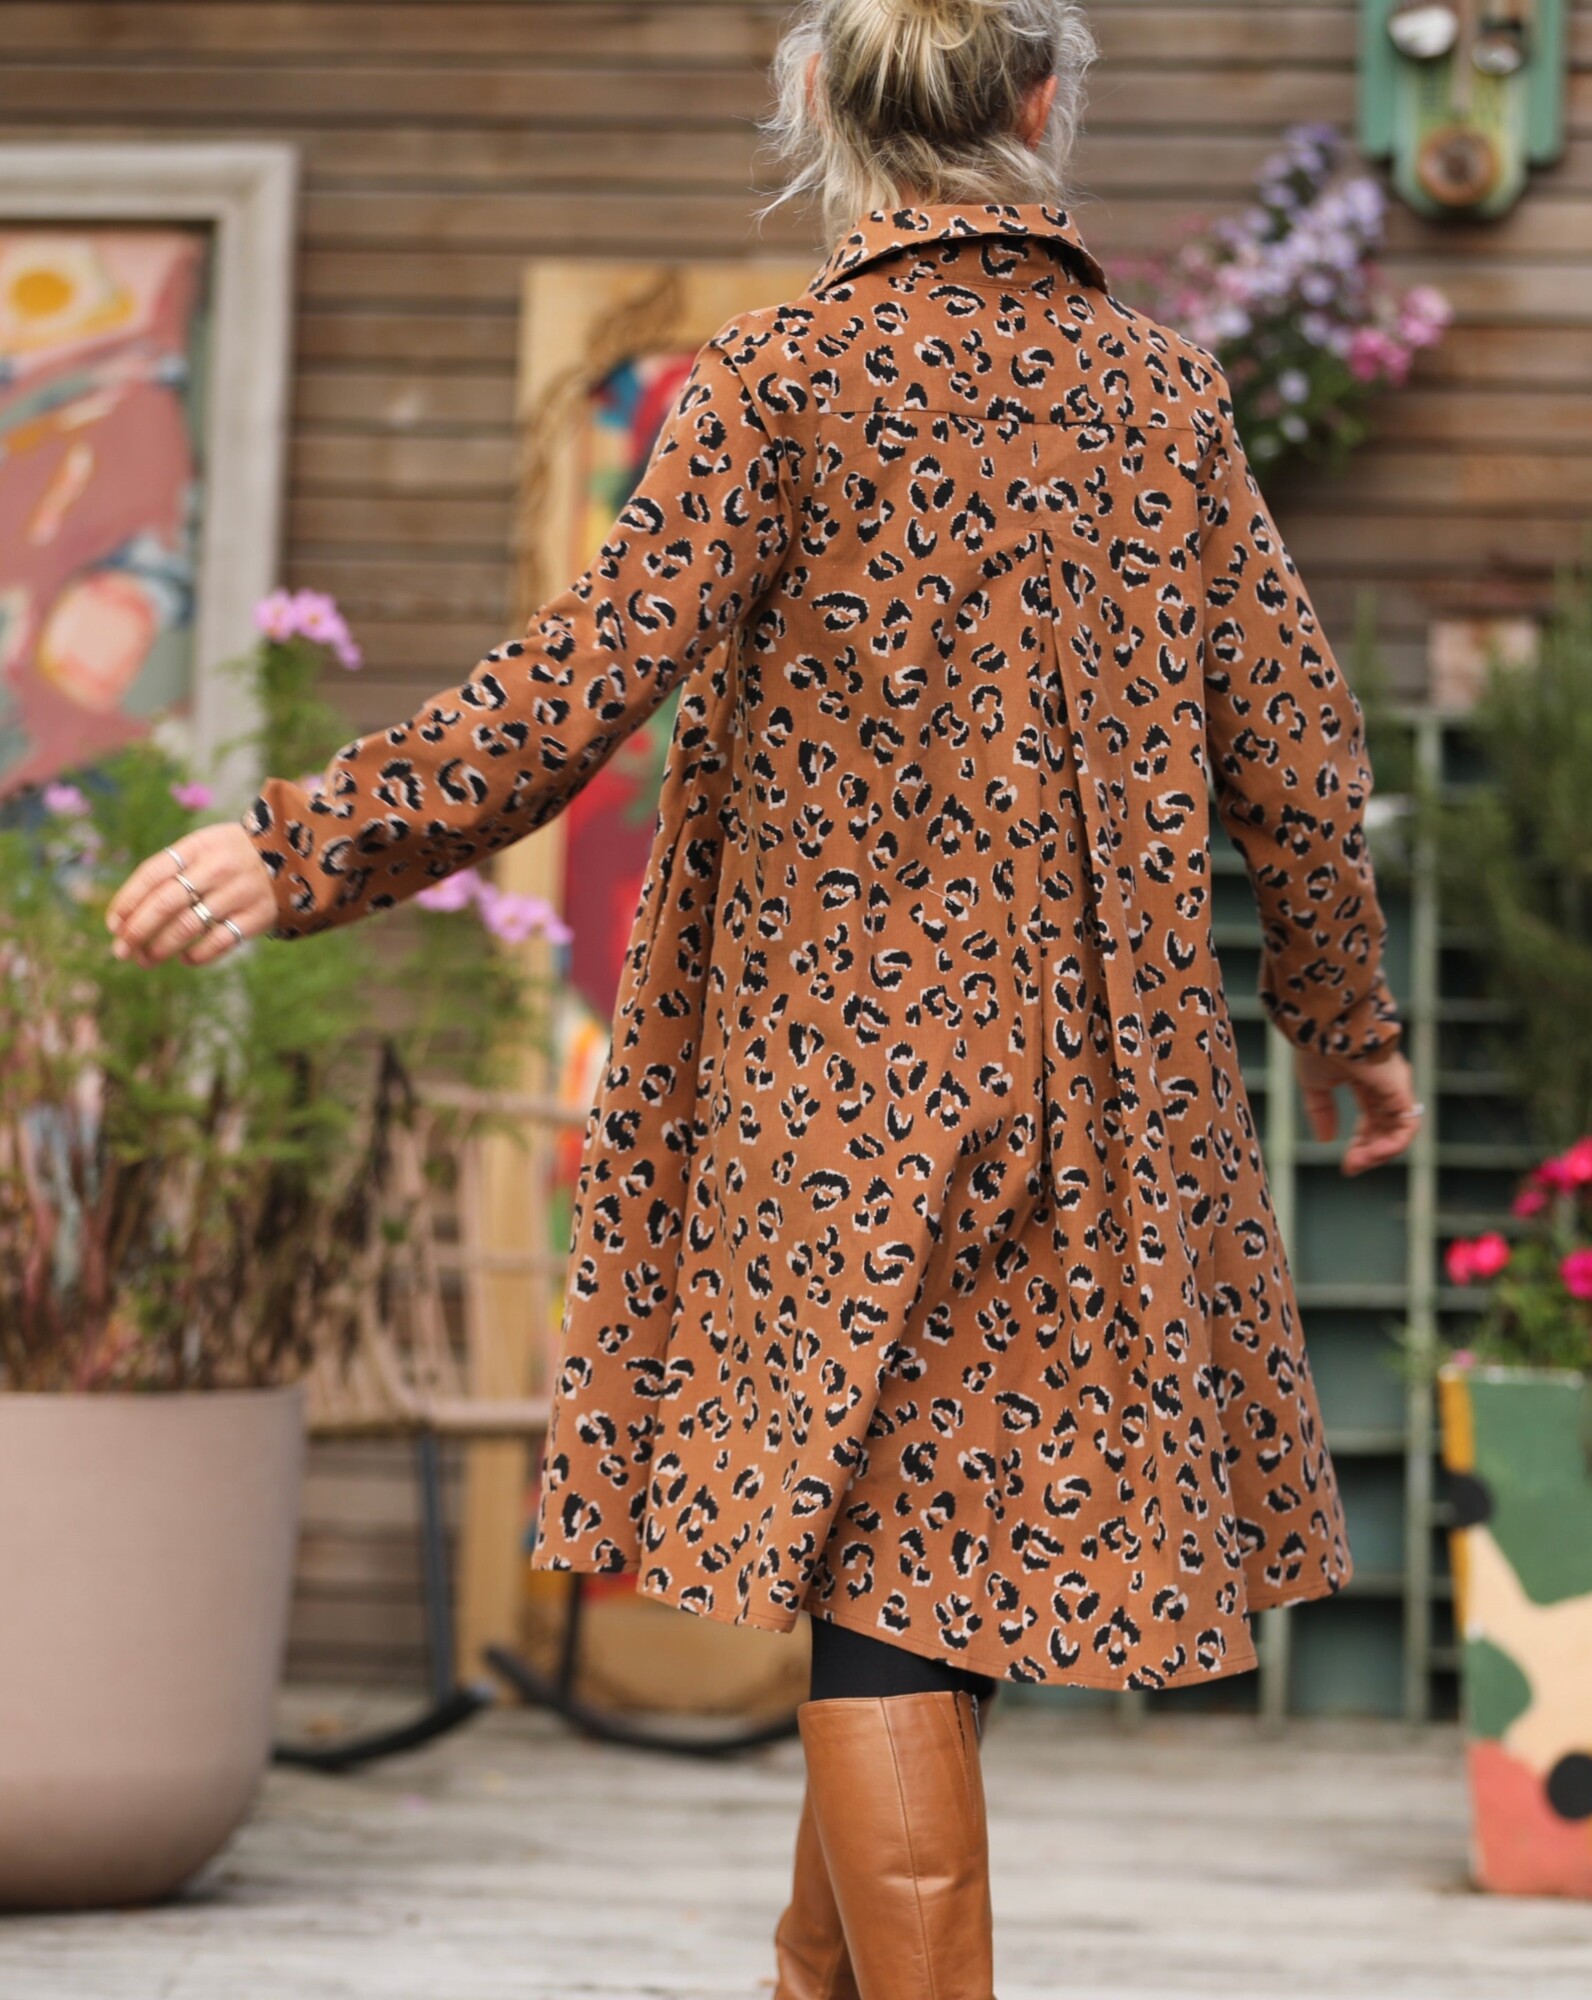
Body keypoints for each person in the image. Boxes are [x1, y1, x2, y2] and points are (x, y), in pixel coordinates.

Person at [107, 1, 1423, 1992]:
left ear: (819, 102)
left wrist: (307, 843)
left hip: (833, 1098)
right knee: (931, 1559)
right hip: (1106, 1089)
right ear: (1044, 105)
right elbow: (1300, 742)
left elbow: (578, 682)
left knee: (893, 1572)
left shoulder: (775, 383)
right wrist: (1344, 1020)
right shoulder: (1162, 398)